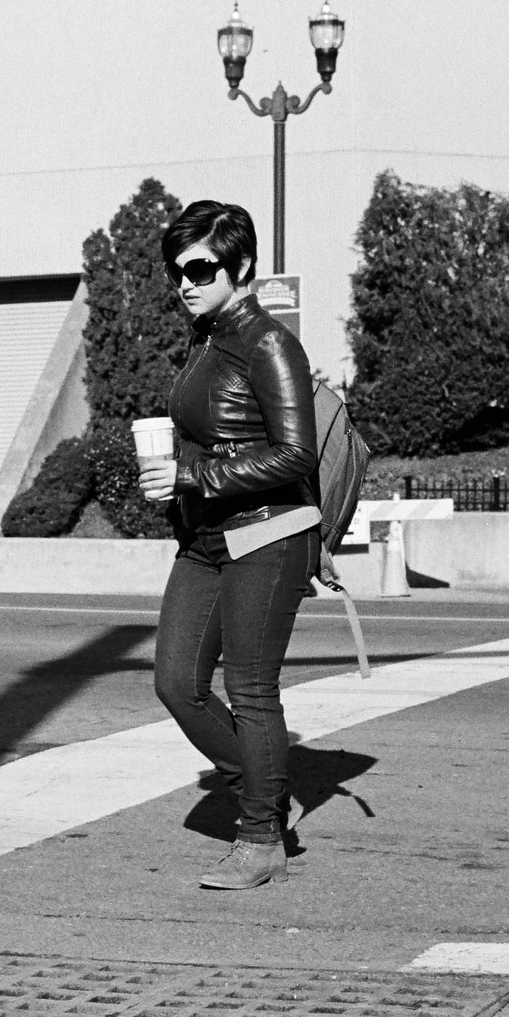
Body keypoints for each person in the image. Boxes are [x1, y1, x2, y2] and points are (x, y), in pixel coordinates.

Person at [137, 200, 319, 891]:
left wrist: (194, 473)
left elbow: (296, 454)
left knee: (249, 688)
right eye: (176, 272)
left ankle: (260, 836)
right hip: (207, 534)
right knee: (177, 683)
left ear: (240, 266)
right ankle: (267, 790)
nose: (184, 282)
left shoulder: (268, 343)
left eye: (200, 269)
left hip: (269, 534)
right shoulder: (207, 340)